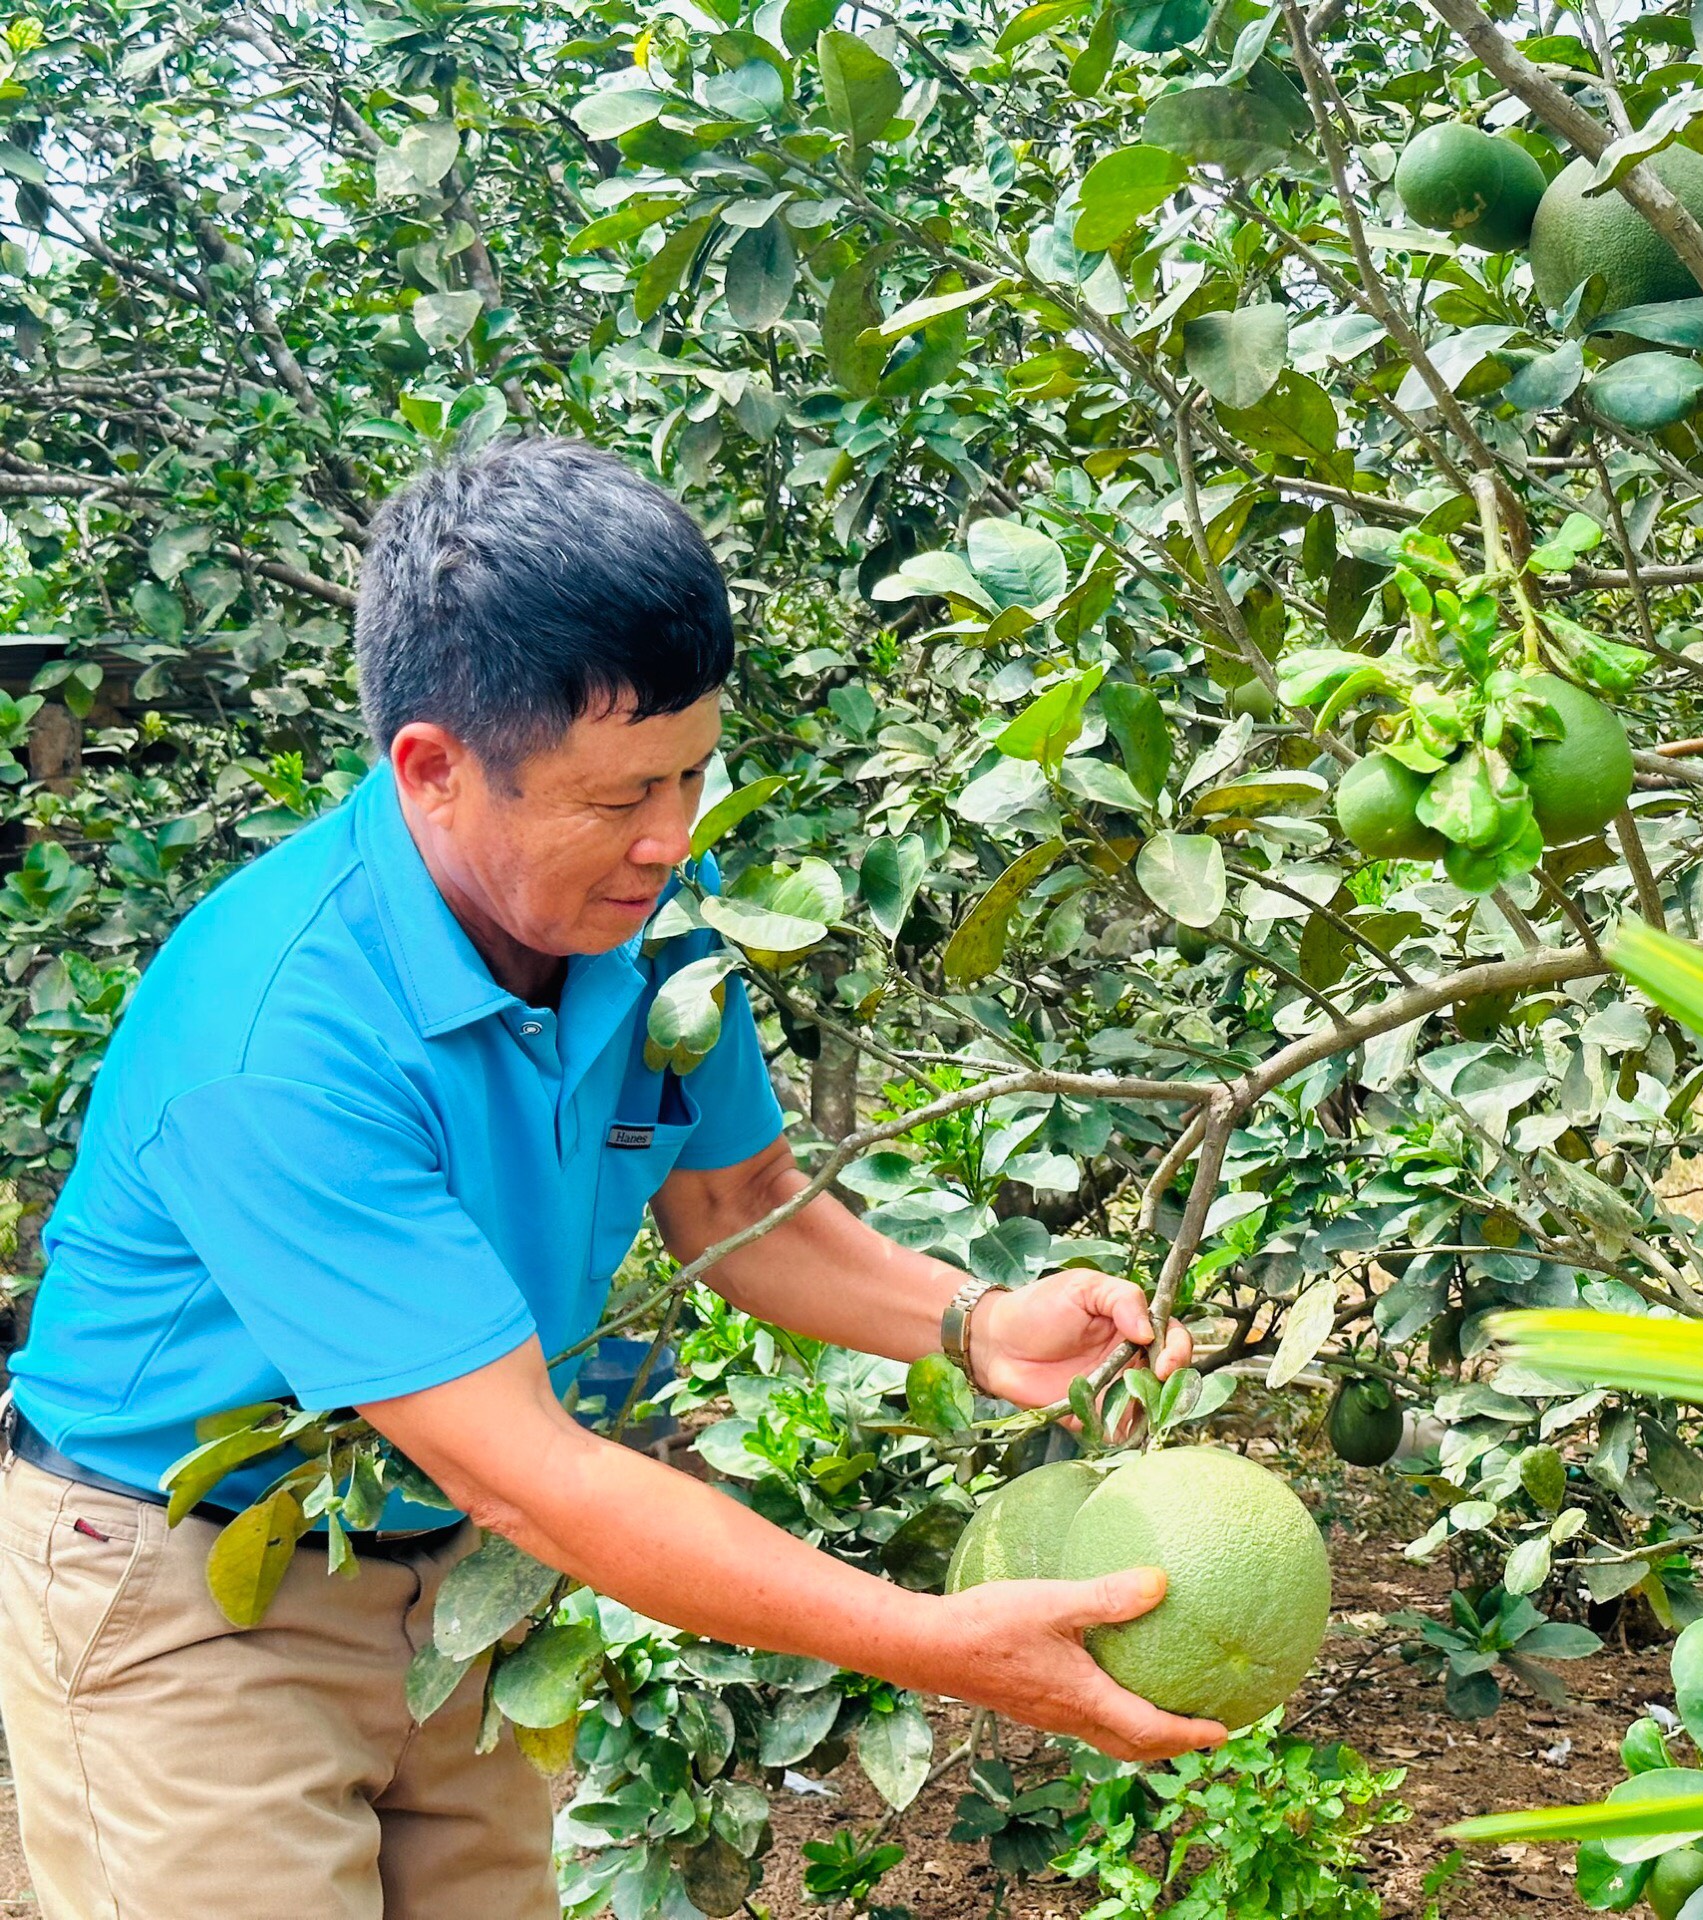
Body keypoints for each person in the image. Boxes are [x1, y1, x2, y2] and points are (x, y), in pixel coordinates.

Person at [0, 437, 1224, 1919]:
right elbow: (537, 1477)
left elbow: (733, 1208)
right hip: (192, 1583)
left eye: (695, 773)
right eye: (621, 795)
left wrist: (973, 1322)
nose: (672, 837)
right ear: (435, 772)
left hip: (447, 1569)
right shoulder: (277, 1040)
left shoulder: (645, 934)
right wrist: (932, 1636)